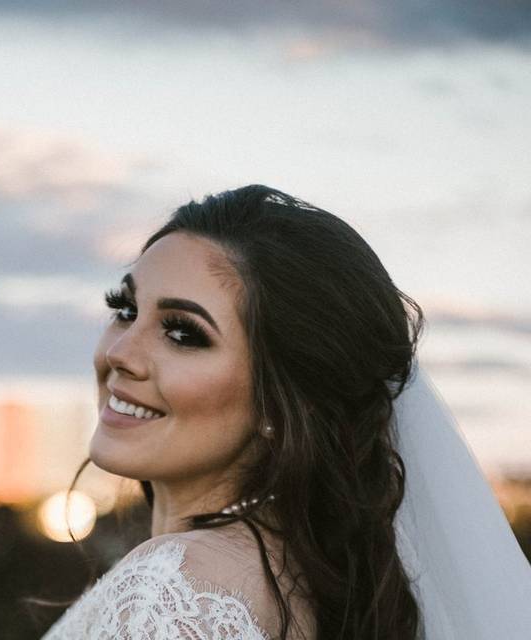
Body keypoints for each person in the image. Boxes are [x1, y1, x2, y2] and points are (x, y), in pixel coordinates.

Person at [40, 185, 531, 639]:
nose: (120, 352)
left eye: (183, 333)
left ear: (282, 401)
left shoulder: (174, 589)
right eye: (125, 309)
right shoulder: (296, 580)